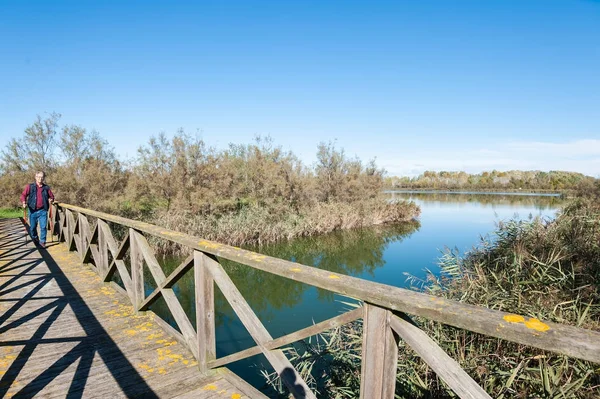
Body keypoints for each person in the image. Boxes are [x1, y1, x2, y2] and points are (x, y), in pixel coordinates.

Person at [21, 171, 55, 248]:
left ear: (43, 178)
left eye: (42, 177)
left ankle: (42, 242)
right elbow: (23, 195)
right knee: (32, 228)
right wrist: (24, 202)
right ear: (35, 177)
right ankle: (35, 238)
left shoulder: (46, 188)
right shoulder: (30, 186)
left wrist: (51, 199)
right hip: (32, 210)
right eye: (39, 177)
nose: (40, 178)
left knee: (43, 227)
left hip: (43, 210)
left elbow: (52, 196)